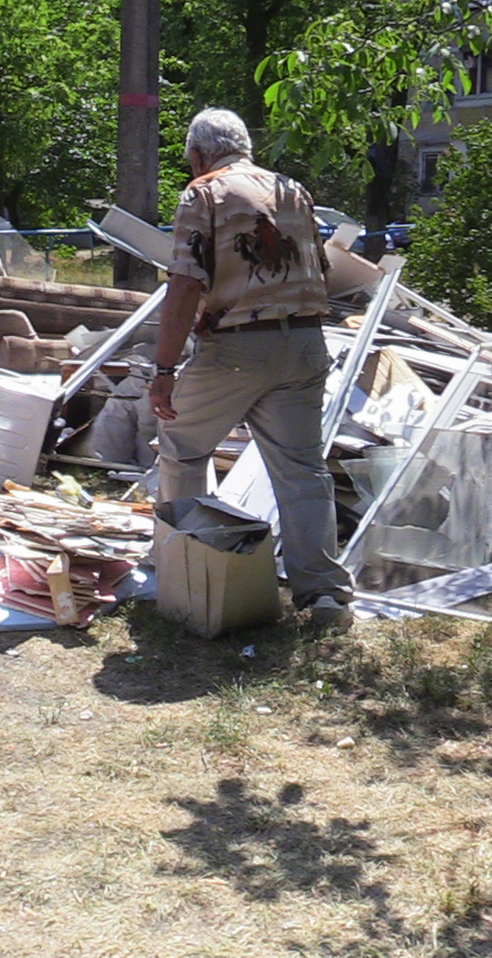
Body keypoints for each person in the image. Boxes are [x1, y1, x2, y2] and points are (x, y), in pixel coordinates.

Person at [148, 108, 355, 632]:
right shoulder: (292, 190)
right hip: (305, 341)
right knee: (302, 469)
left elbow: (185, 285)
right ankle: (325, 595)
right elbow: (322, 269)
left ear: (199, 155)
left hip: (237, 346)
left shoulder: (204, 193)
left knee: (182, 445)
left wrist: (164, 369)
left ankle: (187, 570)